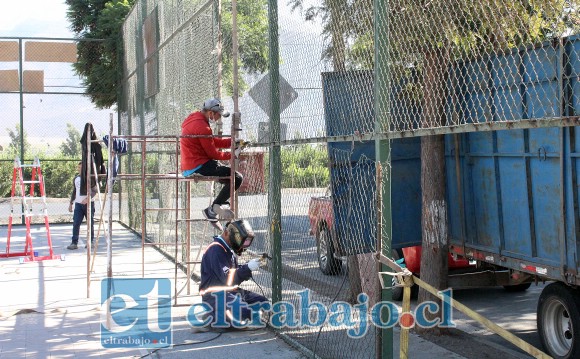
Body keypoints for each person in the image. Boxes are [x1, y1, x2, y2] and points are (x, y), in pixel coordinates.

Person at [180, 98, 243, 222]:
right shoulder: (203, 127)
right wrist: (233, 155)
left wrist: (232, 143)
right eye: (218, 114)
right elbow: (213, 153)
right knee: (237, 178)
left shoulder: (195, 117)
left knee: (228, 177)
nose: (219, 118)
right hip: (198, 165)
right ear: (211, 113)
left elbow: (211, 141)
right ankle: (212, 210)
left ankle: (218, 203)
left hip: (191, 164)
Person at [198, 220, 268, 329]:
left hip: (231, 292)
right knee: (244, 313)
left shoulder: (226, 248)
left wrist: (248, 266)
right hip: (214, 296)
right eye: (235, 240)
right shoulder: (216, 250)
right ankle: (211, 318)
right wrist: (247, 268)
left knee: (263, 303)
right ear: (226, 233)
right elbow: (228, 279)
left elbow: (232, 272)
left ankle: (234, 316)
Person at [67, 162, 97, 250]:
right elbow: (74, 191)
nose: (79, 169)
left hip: (89, 204)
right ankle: (74, 243)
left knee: (89, 223)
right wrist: (71, 203)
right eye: (78, 167)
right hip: (78, 205)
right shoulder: (76, 178)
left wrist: (87, 198)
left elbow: (94, 191)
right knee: (76, 223)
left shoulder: (90, 178)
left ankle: (90, 242)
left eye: (81, 167)